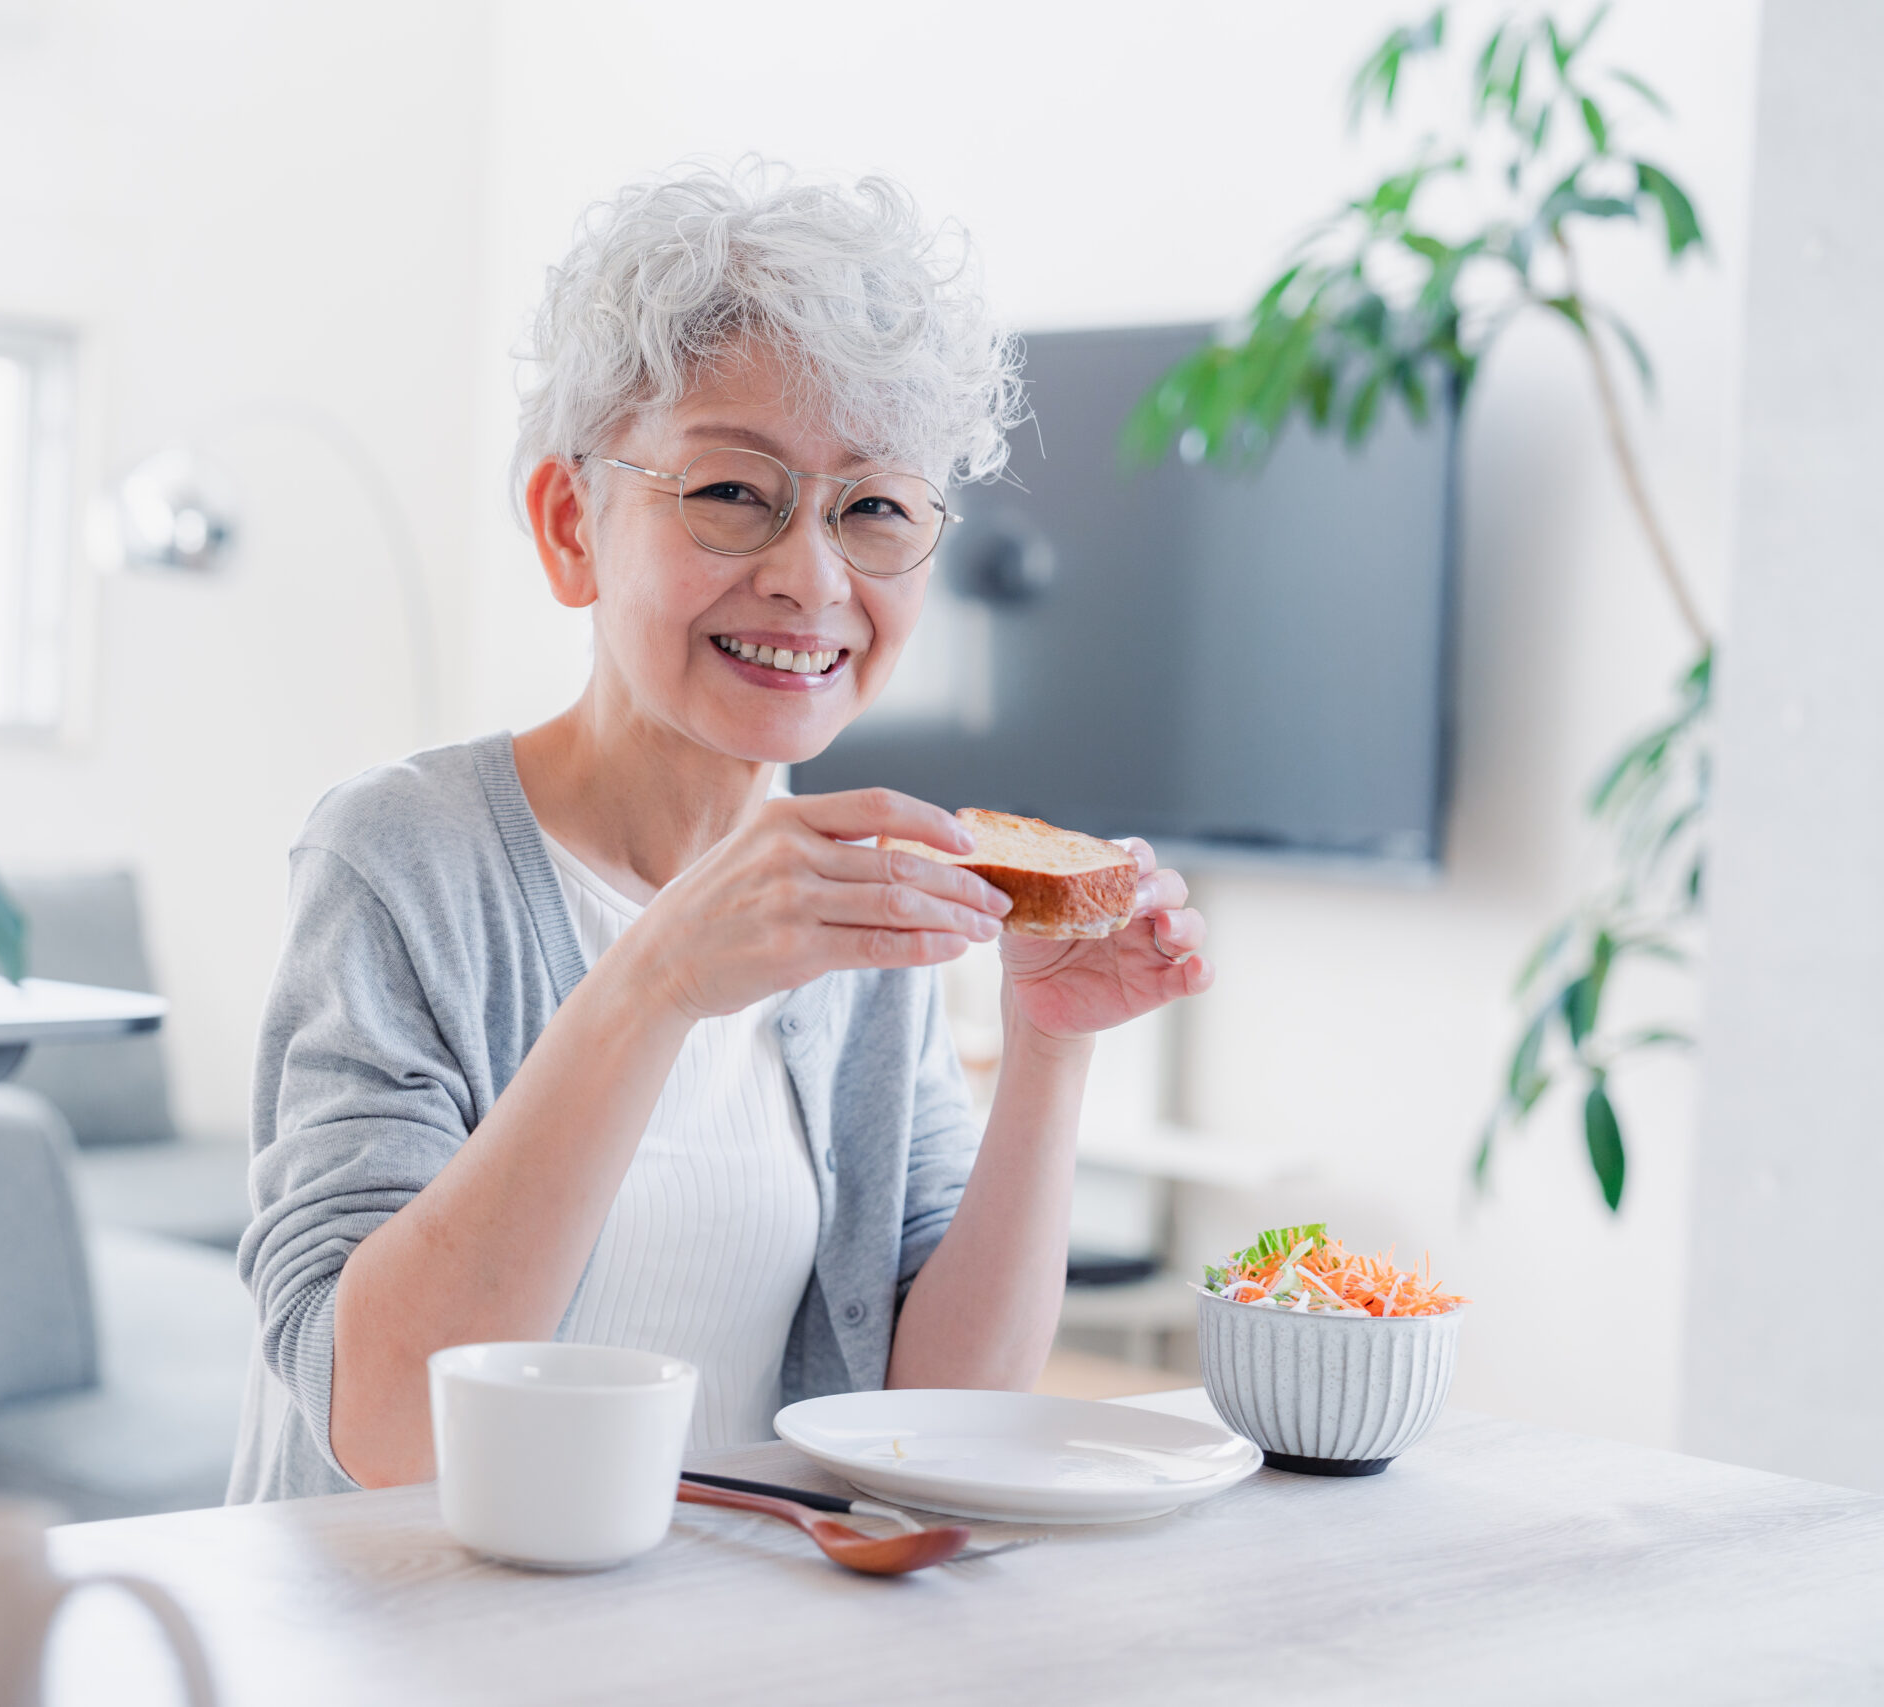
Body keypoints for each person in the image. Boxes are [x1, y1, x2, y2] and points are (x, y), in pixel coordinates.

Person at [229, 162, 1213, 1501]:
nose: (811, 580)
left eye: (873, 508)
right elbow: (393, 1430)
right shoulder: (402, 858)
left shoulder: (870, 913)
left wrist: (1049, 1050)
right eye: (733, 494)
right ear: (572, 525)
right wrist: (658, 980)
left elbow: (941, 1424)